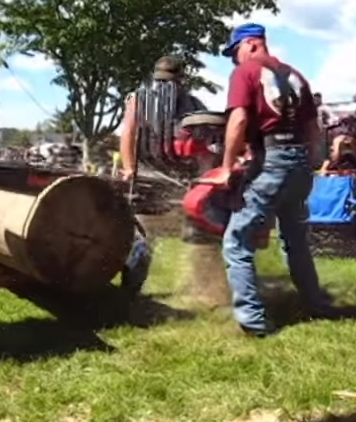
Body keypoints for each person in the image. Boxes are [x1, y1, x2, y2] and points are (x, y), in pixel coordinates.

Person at [212, 22, 335, 337]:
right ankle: (316, 306)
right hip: (299, 164)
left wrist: (227, 167)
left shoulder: (246, 72)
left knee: (236, 241)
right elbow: (312, 129)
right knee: (295, 240)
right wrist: (310, 162)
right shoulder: (297, 75)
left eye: (235, 52)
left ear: (251, 44)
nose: (234, 60)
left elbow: (238, 118)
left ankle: (254, 322)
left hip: (273, 162)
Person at [119, 56, 206, 180]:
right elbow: (128, 133)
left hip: (176, 172)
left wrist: (129, 168)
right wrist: (129, 168)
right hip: (151, 171)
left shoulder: (193, 104)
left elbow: (128, 132)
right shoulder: (139, 99)